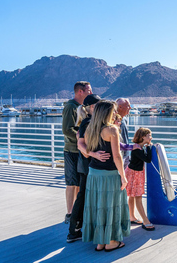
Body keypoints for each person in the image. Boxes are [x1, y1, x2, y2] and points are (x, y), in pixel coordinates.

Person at [82, 100, 130, 251]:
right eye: (114, 110)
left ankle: (100, 242)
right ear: (109, 113)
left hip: (94, 174)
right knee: (111, 206)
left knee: (98, 206)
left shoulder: (90, 128)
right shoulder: (112, 130)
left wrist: (94, 154)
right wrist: (123, 176)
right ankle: (111, 242)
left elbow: (85, 149)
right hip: (109, 175)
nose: (116, 113)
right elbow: (117, 157)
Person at [67, 94, 109, 243]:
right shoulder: (87, 122)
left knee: (87, 196)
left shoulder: (93, 122)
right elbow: (80, 144)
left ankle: (83, 228)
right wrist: (94, 154)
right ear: (93, 107)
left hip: (91, 164)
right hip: (87, 165)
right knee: (83, 195)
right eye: (99, 105)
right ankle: (73, 230)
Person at [62, 81, 92, 223]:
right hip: (72, 150)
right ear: (80, 91)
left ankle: (77, 212)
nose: (90, 93)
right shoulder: (70, 107)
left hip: (81, 149)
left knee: (80, 183)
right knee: (72, 182)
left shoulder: (82, 107)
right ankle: (69, 213)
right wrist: (81, 138)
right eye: (89, 91)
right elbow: (67, 129)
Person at [126, 127, 155, 231]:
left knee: (132, 196)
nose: (151, 137)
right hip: (135, 174)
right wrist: (149, 147)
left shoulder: (139, 147)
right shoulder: (138, 149)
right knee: (138, 197)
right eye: (149, 136)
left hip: (135, 173)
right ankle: (146, 221)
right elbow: (147, 159)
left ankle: (131, 217)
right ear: (143, 137)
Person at [115, 98, 131, 167]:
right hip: (119, 154)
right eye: (128, 106)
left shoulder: (124, 119)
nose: (130, 108)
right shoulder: (114, 120)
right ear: (120, 107)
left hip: (126, 153)